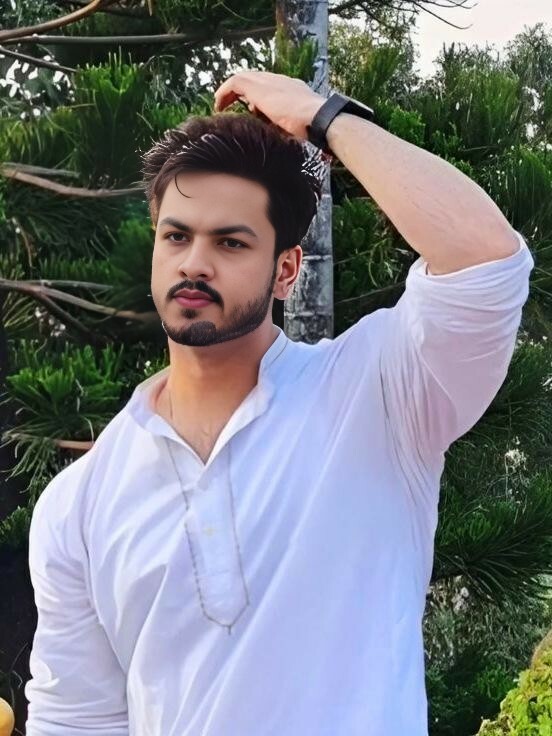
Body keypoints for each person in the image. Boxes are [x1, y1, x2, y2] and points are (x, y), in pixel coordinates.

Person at [24, 71, 534, 736]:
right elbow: (77, 719)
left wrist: (325, 116)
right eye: (176, 237)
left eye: (230, 242)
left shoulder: (380, 395)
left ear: (286, 271)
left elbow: (486, 261)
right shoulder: (80, 501)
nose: (194, 263)